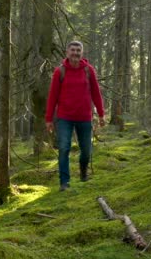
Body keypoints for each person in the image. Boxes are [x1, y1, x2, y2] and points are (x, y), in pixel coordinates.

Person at [45, 41, 105, 191]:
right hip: (64, 117)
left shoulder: (88, 70)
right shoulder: (60, 71)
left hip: (84, 117)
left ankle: (83, 172)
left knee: (86, 150)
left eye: (78, 50)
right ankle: (64, 182)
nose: (75, 53)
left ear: (82, 53)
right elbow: (52, 97)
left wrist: (101, 114)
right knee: (64, 147)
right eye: (73, 50)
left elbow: (96, 94)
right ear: (67, 52)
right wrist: (48, 119)